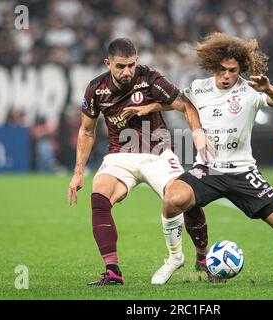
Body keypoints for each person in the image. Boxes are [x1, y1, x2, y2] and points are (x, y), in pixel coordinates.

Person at [125, 33, 273, 284]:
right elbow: (177, 103)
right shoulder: (200, 87)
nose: (226, 75)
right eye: (221, 69)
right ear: (213, 66)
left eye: (232, 70)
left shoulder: (252, 89)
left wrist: (268, 88)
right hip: (208, 170)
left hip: (243, 171)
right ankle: (175, 258)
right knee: (172, 198)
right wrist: (149, 107)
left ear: (241, 68)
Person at [67, 38, 216, 286]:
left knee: (184, 199)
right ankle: (113, 272)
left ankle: (202, 259)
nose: (127, 71)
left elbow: (185, 105)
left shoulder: (151, 79)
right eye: (120, 66)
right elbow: (87, 131)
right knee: (99, 196)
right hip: (119, 156)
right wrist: (78, 172)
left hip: (157, 153)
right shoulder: (96, 88)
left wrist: (196, 131)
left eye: (131, 65)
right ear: (108, 63)